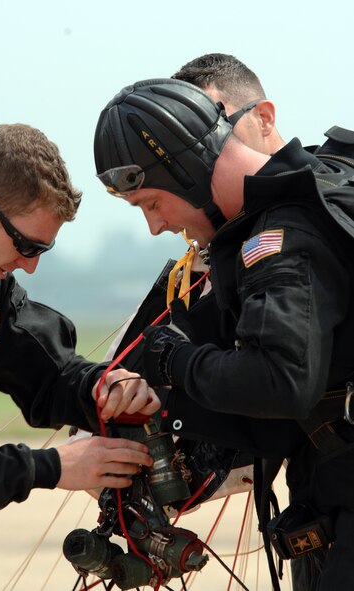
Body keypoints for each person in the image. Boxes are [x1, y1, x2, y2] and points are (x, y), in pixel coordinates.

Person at [94, 77, 354, 591]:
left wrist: (176, 361)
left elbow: (280, 381)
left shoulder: (282, 238)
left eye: (151, 203)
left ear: (186, 173)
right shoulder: (324, 192)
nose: (155, 226)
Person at [0, 123, 160, 590]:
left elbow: (47, 370)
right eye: (26, 246)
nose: (31, 265)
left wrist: (104, 386)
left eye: (44, 250)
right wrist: (53, 467)